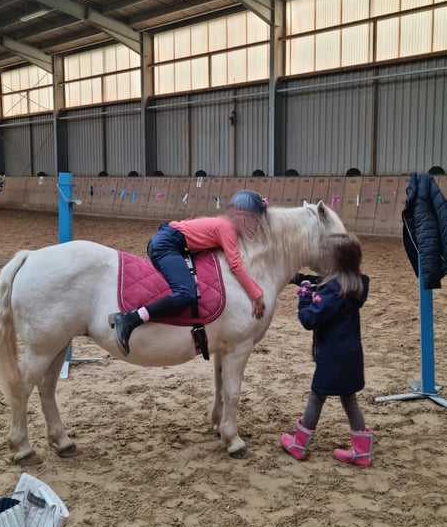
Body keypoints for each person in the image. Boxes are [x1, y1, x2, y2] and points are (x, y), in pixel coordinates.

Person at [110, 190, 267, 355]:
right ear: (242, 216)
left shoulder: (222, 223)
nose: (254, 226)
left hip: (170, 241)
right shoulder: (227, 228)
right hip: (167, 245)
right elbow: (235, 264)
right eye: (254, 219)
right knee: (186, 293)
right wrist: (256, 295)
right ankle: (130, 319)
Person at [280, 233, 374, 467]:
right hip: (351, 356)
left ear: (333, 261)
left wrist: (304, 298)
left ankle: (299, 445)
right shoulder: (355, 283)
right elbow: (322, 281)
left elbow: (309, 319)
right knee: (350, 400)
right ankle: (362, 452)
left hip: (332, 358)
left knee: (317, 396)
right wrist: (299, 279)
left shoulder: (332, 290)